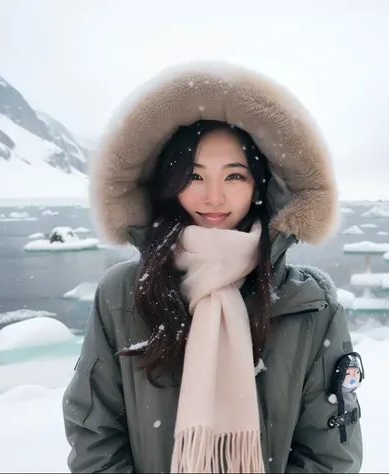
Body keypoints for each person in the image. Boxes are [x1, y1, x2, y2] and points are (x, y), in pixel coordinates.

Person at [62, 61, 364, 473]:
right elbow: (94, 434)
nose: (214, 197)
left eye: (235, 176)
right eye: (194, 176)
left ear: (260, 185)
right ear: (168, 185)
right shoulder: (122, 294)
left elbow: (330, 453)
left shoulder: (310, 304)